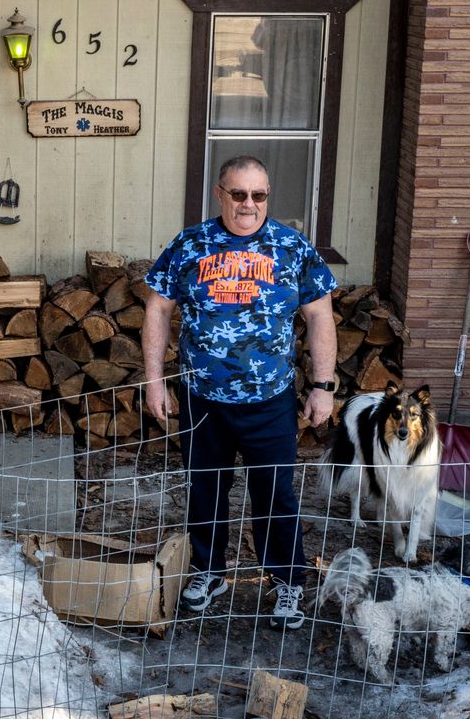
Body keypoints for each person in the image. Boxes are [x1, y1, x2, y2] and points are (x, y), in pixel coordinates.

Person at [141, 154, 337, 630]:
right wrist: (153, 380)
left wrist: (323, 387)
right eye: (239, 194)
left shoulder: (292, 248)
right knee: (205, 491)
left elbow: (319, 317)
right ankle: (210, 571)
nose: (249, 204)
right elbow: (157, 311)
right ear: (220, 194)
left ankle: (287, 579)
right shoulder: (191, 245)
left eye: (259, 195)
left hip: (269, 401)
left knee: (276, 494)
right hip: (202, 398)